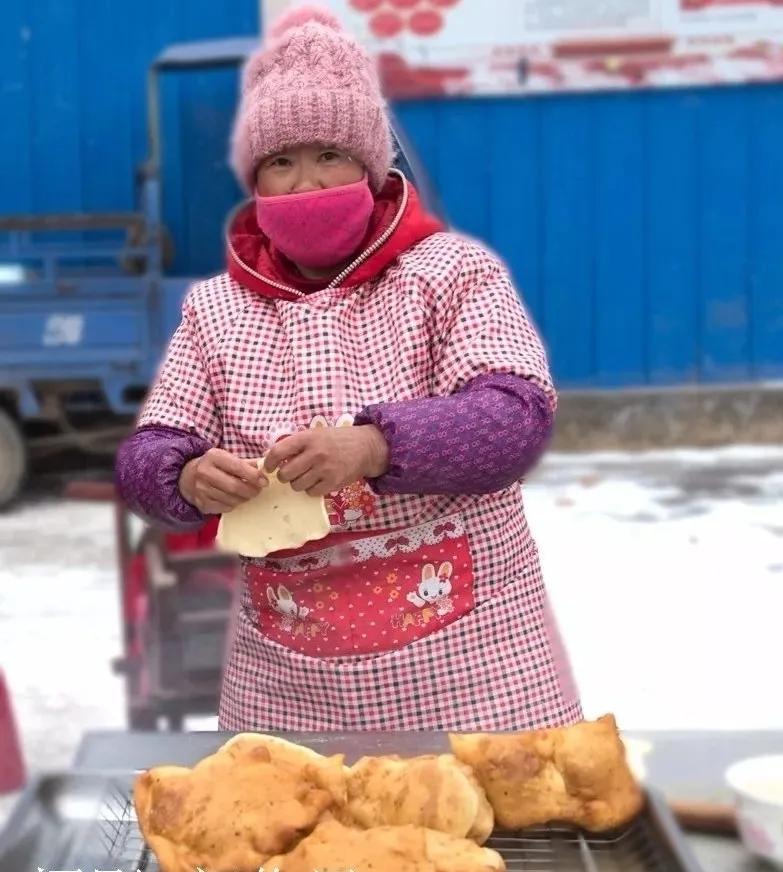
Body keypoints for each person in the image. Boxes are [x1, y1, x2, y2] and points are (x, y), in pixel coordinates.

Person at [115, 4, 582, 732]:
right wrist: (183, 477)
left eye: (328, 155)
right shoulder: (216, 312)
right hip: (289, 693)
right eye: (281, 162)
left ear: (371, 167)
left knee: (493, 837)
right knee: (297, 839)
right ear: (255, 182)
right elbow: (147, 455)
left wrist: (371, 446)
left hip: (476, 685)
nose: (305, 184)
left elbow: (513, 419)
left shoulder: (451, 274)